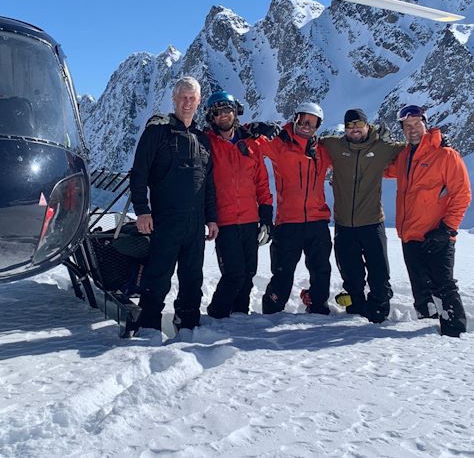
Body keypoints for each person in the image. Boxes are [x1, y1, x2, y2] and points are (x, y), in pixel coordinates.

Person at [129, 76, 219, 333]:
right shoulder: (157, 132)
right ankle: (148, 328)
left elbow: (208, 184)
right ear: (174, 99)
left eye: (192, 98)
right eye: (183, 97)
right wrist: (142, 211)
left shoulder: (203, 140)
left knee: (193, 278)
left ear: (199, 101)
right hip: (165, 219)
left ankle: (188, 325)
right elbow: (139, 174)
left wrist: (211, 218)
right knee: (157, 277)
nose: (188, 102)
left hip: (195, 223)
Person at [384, 104, 471, 337]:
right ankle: (425, 333)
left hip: (437, 235)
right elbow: (383, 170)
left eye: (416, 124)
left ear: (425, 123)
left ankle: (455, 334)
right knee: (422, 291)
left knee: (443, 286)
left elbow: (462, 194)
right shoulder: (404, 156)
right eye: (407, 126)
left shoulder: (445, 155)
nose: (412, 129)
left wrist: (447, 229)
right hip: (410, 235)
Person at [319, 108, 404, 323]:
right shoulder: (334, 146)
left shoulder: (383, 147)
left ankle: (379, 310)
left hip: (372, 221)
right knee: (351, 273)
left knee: (379, 272)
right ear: (345, 128)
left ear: (367, 126)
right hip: (344, 224)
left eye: (359, 125)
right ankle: (355, 308)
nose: (355, 129)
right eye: (350, 126)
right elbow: (308, 139)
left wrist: (441, 142)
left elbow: (414, 148)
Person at [253, 102, 334, 315]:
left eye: (313, 123)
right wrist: (256, 128)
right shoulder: (280, 144)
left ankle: (317, 307)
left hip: (317, 221)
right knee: (282, 272)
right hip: (288, 222)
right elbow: (254, 144)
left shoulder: (323, 151)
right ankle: (271, 310)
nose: (307, 126)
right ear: (295, 119)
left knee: (321, 270)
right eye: (303, 120)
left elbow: (352, 155)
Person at [203, 91, 273, 319]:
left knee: (249, 273)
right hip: (225, 221)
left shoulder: (251, 144)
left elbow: (261, 182)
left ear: (236, 112)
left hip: (250, 220)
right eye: (218, 112)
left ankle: (240, 316)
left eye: (227, 110)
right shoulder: (206, 143)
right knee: (234, 274)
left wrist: (266, 216)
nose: (223, 116)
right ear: (211, 118)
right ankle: (217, 315)